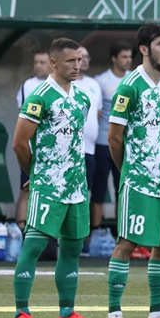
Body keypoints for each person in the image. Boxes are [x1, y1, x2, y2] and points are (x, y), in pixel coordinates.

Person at [106, 23, 160, 318]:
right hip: (139, 181)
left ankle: (157, 313)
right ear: (144, 49)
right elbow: (114, 137)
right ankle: (114, 313)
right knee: (127, 243)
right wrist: (128, 171)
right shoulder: (129, 86)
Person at [10, 38, 96, 318]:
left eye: (79, 60)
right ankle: (22, 313)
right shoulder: (39, 97)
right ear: (53, 62)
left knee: (72, 249)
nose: (77, 65)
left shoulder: (83, 98)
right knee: (33, 247)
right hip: (48, 185)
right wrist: (35, 174)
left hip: (77, 187)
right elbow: (19, 143)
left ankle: (67, 313)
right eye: (70, 61)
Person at [93, 41, 132, 233]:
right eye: (124, 57)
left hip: (125, 144)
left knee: (122, 189)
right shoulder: (101, 81)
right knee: (98, 190)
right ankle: (94, 234)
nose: (128, 60)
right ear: (114, 58)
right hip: (103, 142)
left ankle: (121, 233)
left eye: (130, 57)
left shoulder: (133, 80)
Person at [14, 49, 50, 230]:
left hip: (52, 149)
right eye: (35, 62)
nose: (38, 66)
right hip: (32, 147)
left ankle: (46, 228)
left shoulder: (58, 84)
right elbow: (22, 116)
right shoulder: (28, 85)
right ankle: (21, 226)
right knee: (26, 187)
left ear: (51, 64)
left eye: (42, 62)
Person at [74, 46, 103, 248]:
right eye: (79, 57)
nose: (83, 61)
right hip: (70, 151)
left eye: (86, 57)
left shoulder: (94, 84)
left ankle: (84, 235)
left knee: (87, 193)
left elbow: (97, 114)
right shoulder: (66, 83)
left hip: (90, 149)